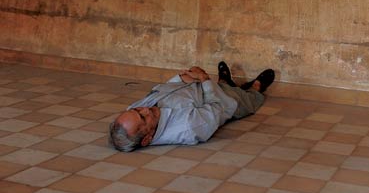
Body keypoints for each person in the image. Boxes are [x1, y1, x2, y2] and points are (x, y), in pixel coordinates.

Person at [108, 60, 275, 151]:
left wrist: (183, 78)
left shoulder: (134, 111)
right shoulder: (189, 127)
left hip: (198, 85)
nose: (144, 108)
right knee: (245, 99)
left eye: (136, 110)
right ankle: (255, 87)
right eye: (143, 117)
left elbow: (159, 91)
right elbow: (218, 107)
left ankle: (224, 80)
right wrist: (203, 79)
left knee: (223, 85)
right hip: (224, 99)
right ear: (147, 139)